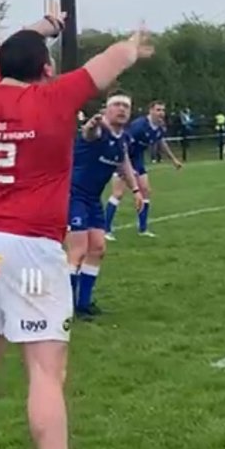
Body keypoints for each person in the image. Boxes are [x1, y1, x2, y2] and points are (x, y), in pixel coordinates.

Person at [0, 3, 153, 449]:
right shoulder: (54, 97)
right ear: (46, 69)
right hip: (29, 247)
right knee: (45, 371)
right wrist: (133, 45)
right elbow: (110, 62)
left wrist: (45, 26)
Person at [66, 96, 143, 319]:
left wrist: (136, 190)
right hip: (74, 195)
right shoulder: (98, 130)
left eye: (126, 106)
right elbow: (89, 134)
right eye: (117, 105)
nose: (122, 109)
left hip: (92, 198)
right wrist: (91, 126)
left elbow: (124, 162)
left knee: (98, 248)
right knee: (78, 251)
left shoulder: (122, 139)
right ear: (106, 110)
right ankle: (65, 305)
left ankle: (84, 303)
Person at [104, 100, 183, 239]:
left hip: (138, 159)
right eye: (158, 110)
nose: (161, 113)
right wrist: (126, 168)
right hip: (123, 158)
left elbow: (160, 141)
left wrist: (173, 159)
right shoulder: (139, 126)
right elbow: (123, 144)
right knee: (118, 193)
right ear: (150, 111)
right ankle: (105, 230)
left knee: (146, 191)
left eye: (163, 110)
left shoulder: (158, 127)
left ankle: (143, 228)